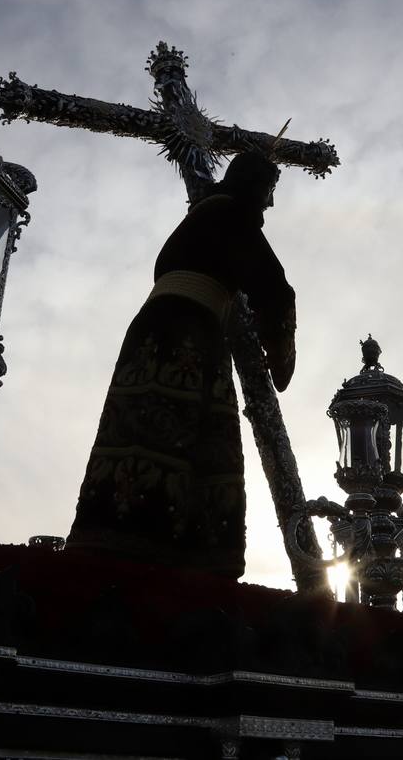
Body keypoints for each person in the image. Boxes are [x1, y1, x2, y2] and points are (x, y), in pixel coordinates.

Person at [67, 149, 296, 580]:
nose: (270, 203)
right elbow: (277, 288)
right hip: (191, 336)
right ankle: (182, 552)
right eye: (269, 191)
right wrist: (282, 357)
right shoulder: (234, 216)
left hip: (149, 334)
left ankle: (113, 534)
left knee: (136, 428)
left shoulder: (199, 218)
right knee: (190, 432)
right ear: (253, 185)